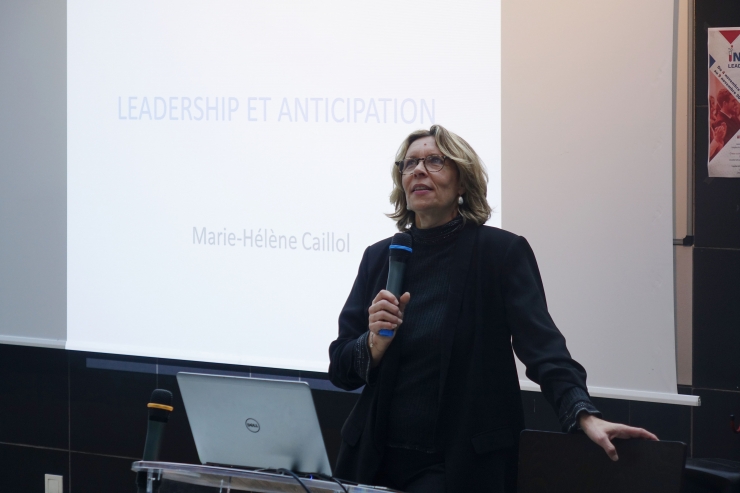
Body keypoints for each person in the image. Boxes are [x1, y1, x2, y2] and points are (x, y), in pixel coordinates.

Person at [328, 125, 657, 493]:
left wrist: (583, 414)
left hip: (455, 465)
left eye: (434, 161)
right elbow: (341, 369)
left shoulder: (500, 253)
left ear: (463, 182)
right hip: (374, 461)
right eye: (409, 164)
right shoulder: (380, 257)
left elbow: (543, 348)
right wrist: (371, 346)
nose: (419, 170)